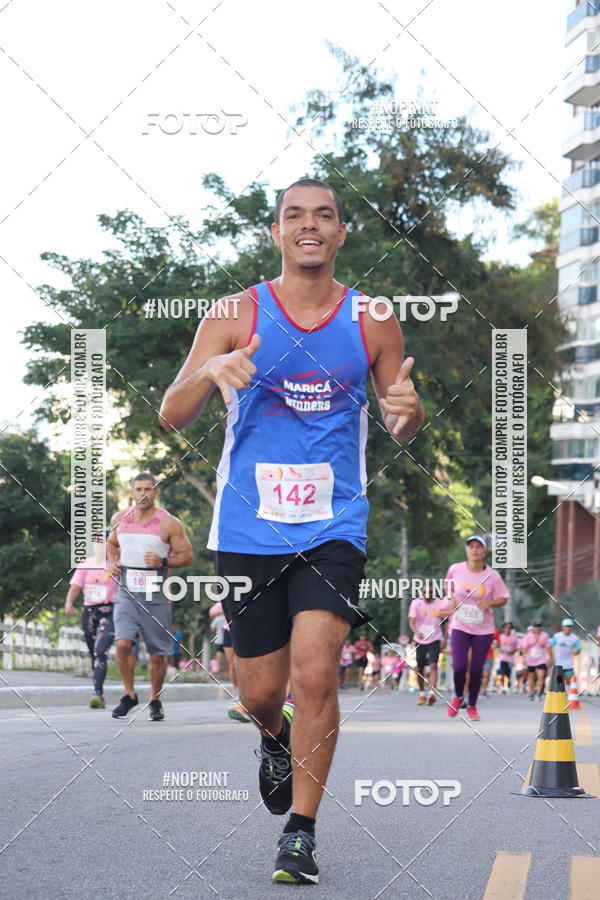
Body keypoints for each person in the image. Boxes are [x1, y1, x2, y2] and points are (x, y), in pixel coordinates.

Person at [159, 177, 423, 885]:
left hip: (334, 524)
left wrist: (410, 411)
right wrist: (209, 369)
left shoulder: (372, 317)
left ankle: (300, 833)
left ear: (341, 233)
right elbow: (172, 414)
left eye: (324, 215)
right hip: (248, 525)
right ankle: (273, 737)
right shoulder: (234, 312)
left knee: (315, 674)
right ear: (276, 232)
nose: (310, 225)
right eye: (295, 215)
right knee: (258, 692)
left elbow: (400, 417)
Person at [107, 473, 193, 721]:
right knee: (123, 643)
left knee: (158, 654)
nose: (143, 494)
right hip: (126, 591)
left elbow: (187, 556)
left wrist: (163, 561)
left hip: (157, 594)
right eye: (138, 489)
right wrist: (113, 562)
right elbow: (112, 545)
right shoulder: (119, 519)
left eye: (148, 489)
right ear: (132, 492)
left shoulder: (169, 523)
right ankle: (129, 695)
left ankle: (155, 699)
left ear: (156, 492)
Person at [445, 535, 509, 720]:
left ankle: (472, 706)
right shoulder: (455, 569)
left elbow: (503, 597)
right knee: (459, 666)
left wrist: (490, 602)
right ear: (467, 550)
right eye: (471, 546)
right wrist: (451, 598)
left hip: (483, 629)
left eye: (478, 547)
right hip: (459, 625)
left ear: (484, 551)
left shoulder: (492, 575)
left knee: (475, 669)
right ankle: (458, 696)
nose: (474, 550)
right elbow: (447, 586)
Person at [65, 534, 116, 708]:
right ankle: (98, 690)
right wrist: (69, 602)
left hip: (109, 611)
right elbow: (75, 587)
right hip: (89, 613)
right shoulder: (85, 564)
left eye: (103, 543)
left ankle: (97, 694)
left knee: (100, 651)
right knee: (93, 652)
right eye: (96, 543)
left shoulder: (115, 564)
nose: (99, 546)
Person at [209, 599, 250, 722]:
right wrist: (226, 609)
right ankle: (237, 693)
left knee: (241, 663)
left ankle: (245, 698)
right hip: (228, 630)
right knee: (232, 666)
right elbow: (211, 613)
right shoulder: (224, 599)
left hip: (244, 628)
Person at [408, 586, 450, 706]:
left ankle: (432, 693)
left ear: (434, 593)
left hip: (435, 638)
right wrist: (416, 631)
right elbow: (411, 621)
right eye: (425, 591)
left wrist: (445, 639)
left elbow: (446, 622)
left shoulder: (440, 602)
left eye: (430, 592)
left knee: (433, 666)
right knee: (420, 668)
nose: (428, 594)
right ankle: (422, 694)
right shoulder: (416, 603)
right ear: (421, 592)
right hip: (420, 639)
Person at [519, 620, 550, 700]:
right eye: (536, 627)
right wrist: (524, 658)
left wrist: (549, 657)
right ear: (533, 627)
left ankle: (539, 693)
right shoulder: (528, 636)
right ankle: (532, 693)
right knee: (531, 677)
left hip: (541, 659)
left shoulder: (544, 635)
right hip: (531, 660)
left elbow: (548, 647)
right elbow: (524, 648)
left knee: (541, 676)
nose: (537, 628)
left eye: (539, 627)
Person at [550, 618, 582, 684]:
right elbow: (550, 646)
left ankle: (567, 688)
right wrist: (551, 657)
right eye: (566, 626)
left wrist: (576, 652)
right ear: (563, 627)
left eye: (569, 626)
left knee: (569, 679)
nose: (568, 628)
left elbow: (578, 648)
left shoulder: (574, 638)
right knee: (558, 681)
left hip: (568, 663)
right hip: (558, 663)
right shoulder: (557, 636)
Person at [495, 621, 518, 694]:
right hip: (502, 658)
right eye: (506, 628)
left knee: (508, 673)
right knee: (502, 672)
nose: (508, 629)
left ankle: (509, 685)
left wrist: (512, 652)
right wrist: (499, 647)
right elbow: (496, 645)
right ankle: (503, 687)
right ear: (504, 628)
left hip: (510, 659)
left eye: (509, 628)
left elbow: (517, 648)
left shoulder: (514, 638)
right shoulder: (500, 636)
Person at [480, 626, 500, 698]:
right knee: (477, 674)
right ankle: (475, 690)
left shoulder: (495, 630)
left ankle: (483, 691)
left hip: (489, 655)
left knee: (486, 674)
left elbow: (498, 643)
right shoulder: (478, 627)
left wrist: (496, 645)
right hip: (477, 654)